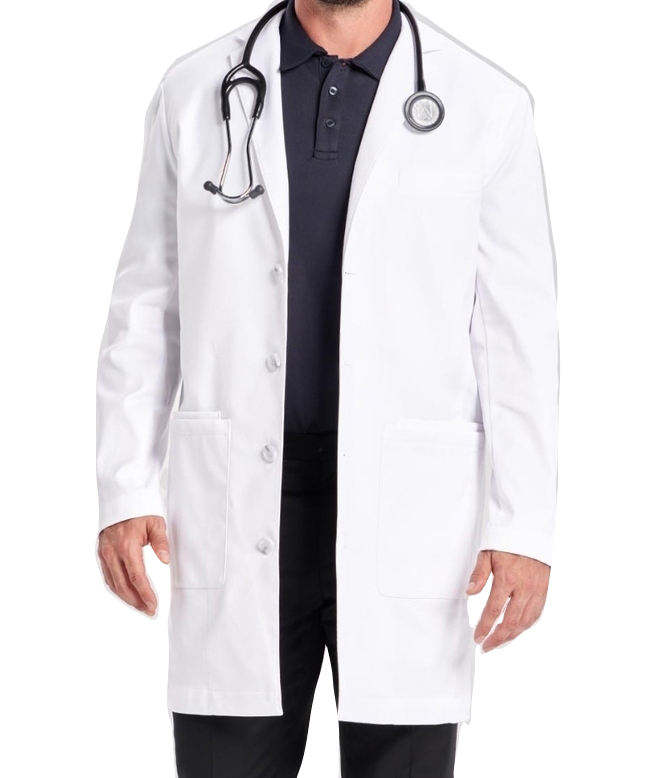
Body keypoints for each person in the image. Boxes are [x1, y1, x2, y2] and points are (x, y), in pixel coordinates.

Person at [96, 0, 558, 775]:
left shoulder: (486, 104)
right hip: (241, 497)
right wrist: (124, 488)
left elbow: (517, 334)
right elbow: (147, 302)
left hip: (405, 511)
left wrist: (525, 527)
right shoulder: (195, 89)